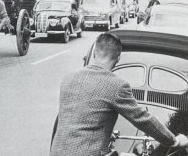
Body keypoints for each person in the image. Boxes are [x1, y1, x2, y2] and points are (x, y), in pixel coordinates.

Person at [50, 33, 188, 156]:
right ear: (118, 57)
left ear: (94, 54)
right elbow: (142, 119)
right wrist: (174, 141)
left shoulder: (68, 78)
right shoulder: (116, 85)